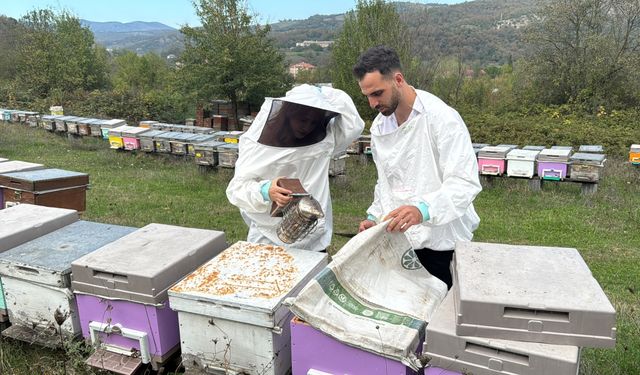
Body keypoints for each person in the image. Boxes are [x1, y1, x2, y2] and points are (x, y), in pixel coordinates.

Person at [353, 46, 481, 288]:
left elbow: (464, 183)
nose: (372, 103)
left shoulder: (442, 118)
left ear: (398, 80)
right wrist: (373, 216)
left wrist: (422, 210)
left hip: (442, 245)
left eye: (377, 93)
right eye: (367, 96)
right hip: (399, 242)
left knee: (438, 321)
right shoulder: (380, 127)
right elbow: (386, 182)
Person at [226, 84, 364, 251]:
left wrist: (322, 90)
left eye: (314, 122)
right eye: (303, 120)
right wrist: (265, 190)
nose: (307, 127)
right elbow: (236, 189)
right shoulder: (258, 145)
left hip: (312, 234)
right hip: (266, 238)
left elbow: (353, 123)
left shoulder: (325, 140)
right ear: (288, 114)